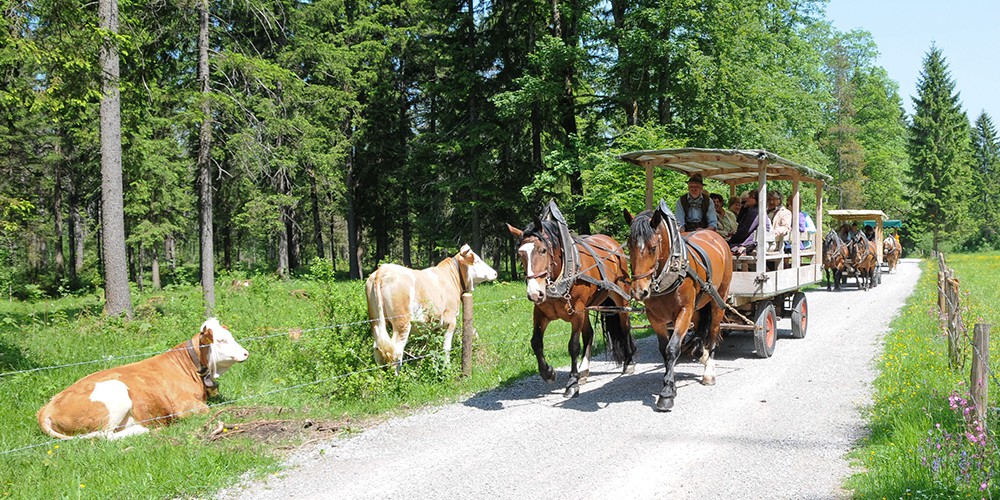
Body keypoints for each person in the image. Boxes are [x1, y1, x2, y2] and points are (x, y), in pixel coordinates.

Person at [728, 189, 771, 256]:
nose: (748, 199)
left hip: (751, 243)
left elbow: (745, 230)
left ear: (757, 199)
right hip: (753, 241)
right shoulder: (755, 210)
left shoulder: (755, 212)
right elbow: (739, 222)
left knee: (724, 246)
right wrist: (744, 208)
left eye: (750, 197)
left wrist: (732, 239)